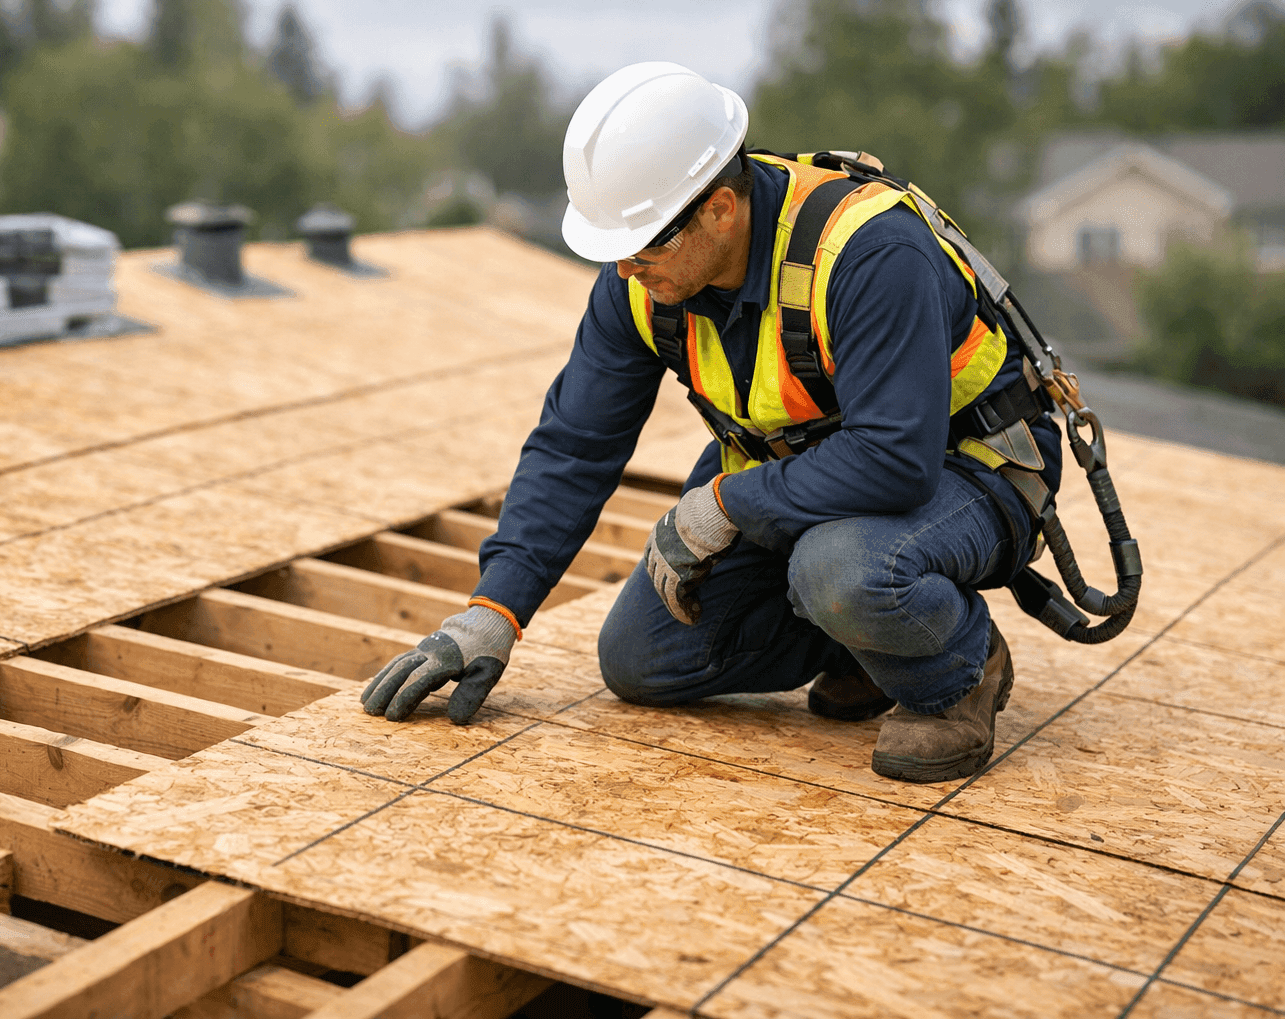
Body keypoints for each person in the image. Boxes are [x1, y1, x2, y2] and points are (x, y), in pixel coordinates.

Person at [361, 61, 1062, 783]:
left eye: (645, 246)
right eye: (617, 251)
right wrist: (493, 612)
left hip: (968, 469)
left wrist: (726, 503)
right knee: (642, 658)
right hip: (809, 476)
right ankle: (862, 643)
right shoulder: (644, 281)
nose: (629, 270)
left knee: (843, 571)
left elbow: (894, 460)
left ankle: (957, 667)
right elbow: (574, 445)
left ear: (722, 209)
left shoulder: (866, 252)